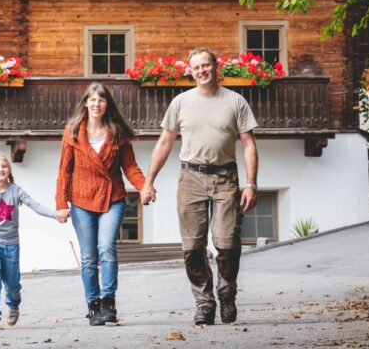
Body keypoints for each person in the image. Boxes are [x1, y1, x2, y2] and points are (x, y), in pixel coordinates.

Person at [140, 47, 259, 326]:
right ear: (190, 71)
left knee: (226, 244)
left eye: (206, 65)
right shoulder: (180, 102)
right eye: (196, 67)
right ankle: (204, 303)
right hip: (190, 178)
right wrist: (148, 182)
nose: (202, 71)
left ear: (216, 67)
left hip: (225, 178)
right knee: (192, 248)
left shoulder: (235, 101)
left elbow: (249, 145)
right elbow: (165, 143)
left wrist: (251, 184)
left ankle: (227, 294)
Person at [55, 82, 146, 326]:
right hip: (81, 200)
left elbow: (130, 167)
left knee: (106, 248)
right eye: (92, 100)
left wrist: (144, 186)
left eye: (101, 100)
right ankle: (93, 305)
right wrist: (61, 203)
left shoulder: (117, 133)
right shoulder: (73, 131)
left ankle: (109, 302)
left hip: (112, 197)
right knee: (87, 257)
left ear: (107, 104)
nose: (96, 104)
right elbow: (64, 171)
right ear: (86, 103)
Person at [0, 152, 68, 330]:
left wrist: (56, 215)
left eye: (4, 166)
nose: (0, 169)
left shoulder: (16, 191)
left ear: (9, 170)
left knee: (13, 284)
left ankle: (13, 305)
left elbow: (35, 205)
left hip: (11, 244)